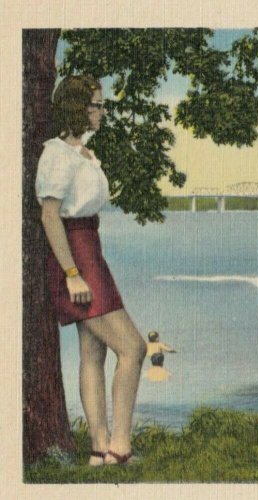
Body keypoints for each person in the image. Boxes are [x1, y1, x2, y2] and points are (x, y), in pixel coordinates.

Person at [36, 75, 147, 466]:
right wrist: (71, 272)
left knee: (92, 351)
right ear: (76, 108)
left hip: (90, 247)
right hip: (75, 255)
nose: (102, 111)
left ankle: (100, 449)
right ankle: (120, 445)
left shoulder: (84, 152)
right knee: (133, 347)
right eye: (96, 104)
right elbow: (50, 216)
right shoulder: (57, 154)